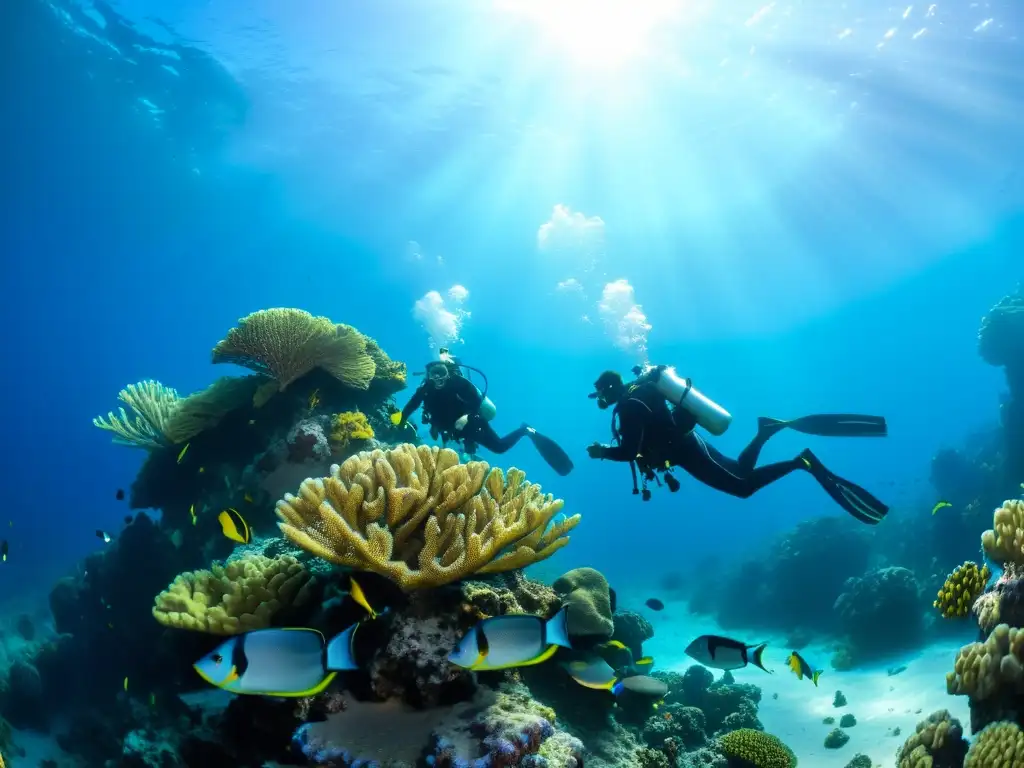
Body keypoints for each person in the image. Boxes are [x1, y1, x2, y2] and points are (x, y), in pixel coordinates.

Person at [585, 368, 889, 525]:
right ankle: (766, 431)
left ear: (610, 389)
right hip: (686, 446)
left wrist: (602, 453)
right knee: (742, 473)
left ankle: (801, 462)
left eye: (600, 394)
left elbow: (628, 451)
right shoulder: (642, 390)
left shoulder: (628, 406)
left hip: (687, 451)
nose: (600, 400)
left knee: (743, 487)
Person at [391, 353, 574, 476]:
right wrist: (400, 420)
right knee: (450, 454)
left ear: (448, 373)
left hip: (472, 423)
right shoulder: (426, 388)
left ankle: (524, 430)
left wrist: (467, 417)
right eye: (433, 374)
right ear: (428, 375)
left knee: (500, 448)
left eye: (441, 373)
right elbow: (412, 405)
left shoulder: (460, 384)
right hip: (449, 429)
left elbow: (476, 402)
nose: (437, 377)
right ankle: (467, 459)